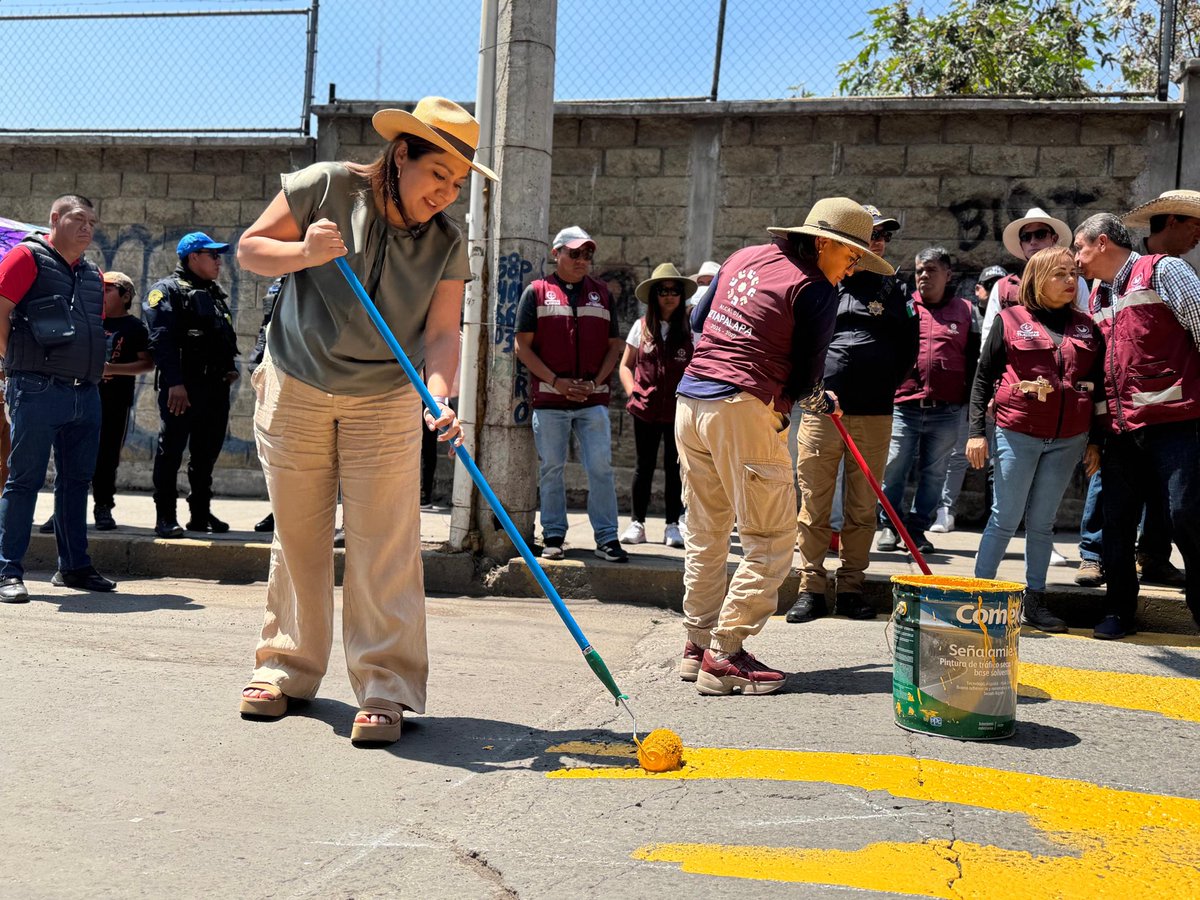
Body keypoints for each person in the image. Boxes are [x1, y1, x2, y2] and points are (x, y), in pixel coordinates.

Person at [237, 96, 493, 745]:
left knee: (386, 541)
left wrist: (441, 396)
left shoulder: (446, 242)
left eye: (458, 184)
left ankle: (386, 686)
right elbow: (251, 250)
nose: (446, 193)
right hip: (297, 384)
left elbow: (441, 335)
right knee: (299, 533)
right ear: (401, 154)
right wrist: (305, 253)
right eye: (439, 175)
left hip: (386, 398)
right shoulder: (324, 186)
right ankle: (286, 668)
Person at [676, 197, 893, 695]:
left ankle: (696, 643)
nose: (853, 265)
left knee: (707, 532)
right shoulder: (815, 288)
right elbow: (806, 372)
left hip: (691, 402)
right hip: (743, 407)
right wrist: (819, 397)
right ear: (824, 243)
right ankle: (725, 652)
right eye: (852, 255)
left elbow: (697, 322)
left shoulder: (743, 257)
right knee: (772, 539)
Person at [1072, 213, 1200, 640]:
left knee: (1187, 517)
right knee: (1118, 522)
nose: (1076, 259)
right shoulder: (1097, 294)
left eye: (1079, 247)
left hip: (1177, 424)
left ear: (1102, 242)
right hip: (1121, 432)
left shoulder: (1165, 270)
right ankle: (1117, 612)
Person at [787, 205, 915, 624]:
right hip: (821, 411)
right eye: (872, 234)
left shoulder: (893, 288)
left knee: (863, 508)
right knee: (814, 504)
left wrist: (881, 383)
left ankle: (853, 587)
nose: (878, 242)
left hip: (874, 412)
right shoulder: (820, 280)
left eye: (883, 236)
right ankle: (811, 587)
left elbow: (909, 347)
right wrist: (813, 389)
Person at [966, 247, 1105, 632]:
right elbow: (983, 379)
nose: (1070, 280)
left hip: (1069, 439)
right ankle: (977, 597)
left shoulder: (1086, 326)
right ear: (1037, 278)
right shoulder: (1010, 320)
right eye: (1060, 273)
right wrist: (976, 433)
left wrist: (1096, 441)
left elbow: (1098, 390)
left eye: (1073, 273)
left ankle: (1036, 601)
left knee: (1043, 523)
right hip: (1017, 432)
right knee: (1004, 518)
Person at [0, 194, 116, 602]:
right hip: (36, 387)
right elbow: (0, 309)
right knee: (24, 480)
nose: (88, 227)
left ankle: (73, 568)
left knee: (75, 483)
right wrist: (9, 359)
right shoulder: (25, 257)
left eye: (92, 222)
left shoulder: (92, 274)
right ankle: (6, 571)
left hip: (85, 392)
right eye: (79, 219)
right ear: (55, 218)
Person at [513, 225, 627, 563]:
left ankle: (607, 538)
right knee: (552, 468)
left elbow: (614, 346)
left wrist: (594, 383)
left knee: (601, 468)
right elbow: (522, 347)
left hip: (592, 400)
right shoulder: (536, 292)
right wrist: (557, 382)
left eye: (587, 254)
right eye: (574, 253)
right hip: (550, 399)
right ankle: (553, 536)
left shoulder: (602, 293)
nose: (582, 260)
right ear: (556, 254)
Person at [877, 247, 980, 555]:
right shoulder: (904, 306)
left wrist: (970, 402)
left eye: (932, 269)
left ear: (948, 275)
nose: (924, 275)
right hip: (904, 405)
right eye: (920, 269)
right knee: (894, 468)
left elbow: (974, 359)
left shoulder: (965, 310)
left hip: (946, 410)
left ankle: (917, 529)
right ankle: (888, 527)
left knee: (935, 474)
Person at [143, 232, 240, 538]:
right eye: (212, 255)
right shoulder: (167, 291)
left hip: (214, 388)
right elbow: (162, 340)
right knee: (170, 452)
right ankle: (165, 517)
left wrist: (228, 369)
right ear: (193, 257)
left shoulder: (212, 292)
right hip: (183, 388)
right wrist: (175, 383)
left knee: (206, 453)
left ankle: (199, 514)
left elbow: (219, 336)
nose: (218, 261)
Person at [618, 263, 695, 549]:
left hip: (678, 412)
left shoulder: (690, 330)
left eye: (675, 291)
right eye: (663, 290)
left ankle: (672, 526)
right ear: (654, 295)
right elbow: (625, 366)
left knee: (675, 468)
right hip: (645, 411)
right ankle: (637, 523)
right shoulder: (641, 328)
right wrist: (633, 393)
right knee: (644, 467)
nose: (669, 296)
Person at [930, 263, 1006, 534]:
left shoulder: (1011, 317)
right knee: (958, 455)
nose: (995, 290)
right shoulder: (969, 315)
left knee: (1001, 461)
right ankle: (946, 511)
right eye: (990, 285)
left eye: (1001, 284)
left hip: (1002, 400)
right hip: (970, 399)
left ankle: (996, 517)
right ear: (979, 290)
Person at [92, 272, 152, 530]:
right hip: (80, 398)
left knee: (106, 455)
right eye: (99, 288)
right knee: (72, 454)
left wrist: (112, 370)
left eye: (108, 289)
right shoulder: (88, 320)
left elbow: (147, 363)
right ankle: (64, 508)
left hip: (114, 401)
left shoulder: (135, 328)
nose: (101, 294)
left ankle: (103, 506)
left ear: (125, 295)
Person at [249, 276, 283, 534]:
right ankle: (280, 511)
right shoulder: (280, 282)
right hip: (276, 373)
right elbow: (268, 328)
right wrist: (257, 361)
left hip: (310, 375)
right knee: (279, 453)